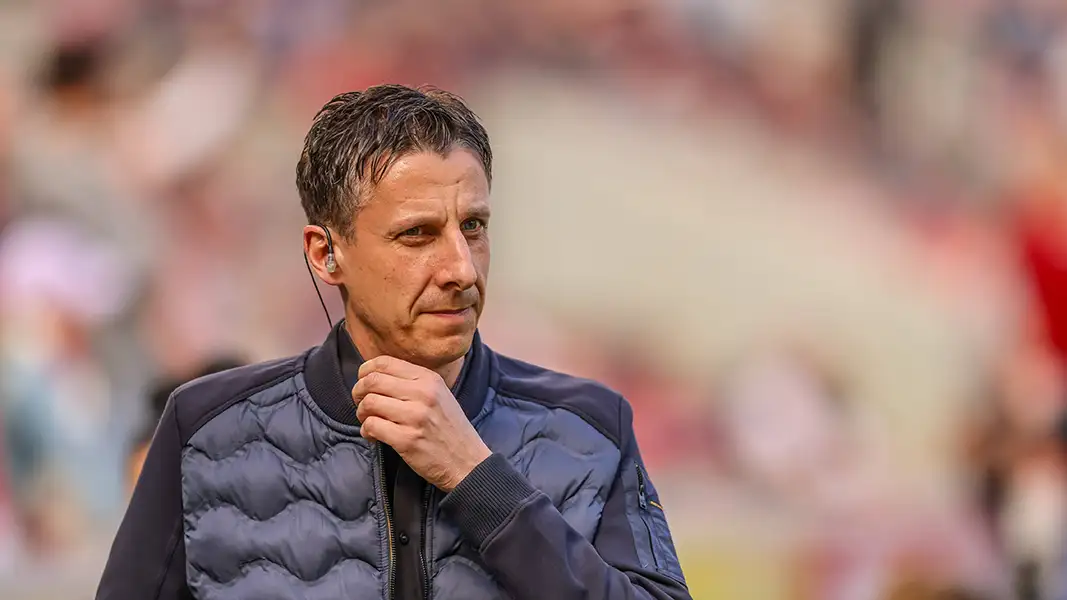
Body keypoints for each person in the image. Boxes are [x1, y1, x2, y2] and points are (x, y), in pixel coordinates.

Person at [96, 84, 691, 600]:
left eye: (474, 227)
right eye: (417, 235)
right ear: (326, 253)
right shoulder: (203, 430)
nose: (461, 267)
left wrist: (478, 480)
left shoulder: (591, 428)